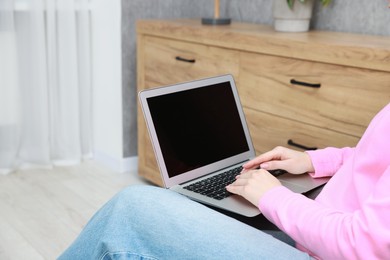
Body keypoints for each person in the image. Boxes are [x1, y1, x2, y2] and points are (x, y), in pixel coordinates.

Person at [59, 103, 390, 259]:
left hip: (328, 250)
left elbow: (366, 245)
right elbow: (373, 159)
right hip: (319, 230)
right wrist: (316, 160)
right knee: (184, 201)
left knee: (131, 210)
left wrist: (274, 197)